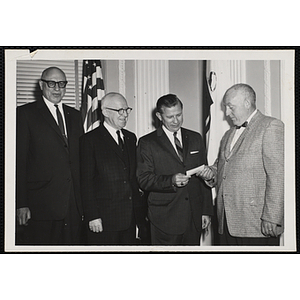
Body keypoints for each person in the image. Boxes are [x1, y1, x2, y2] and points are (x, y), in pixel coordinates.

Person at [198, 83, 284, 246]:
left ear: (247, 103)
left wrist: (272, 217)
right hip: (225, 223)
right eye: (225, 108)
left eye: (230, 107)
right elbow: (221, 168)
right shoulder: (228, 134)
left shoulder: (270, 126)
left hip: (256, 224)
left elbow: (278, 175)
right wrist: (211, 173)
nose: (226, 113)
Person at [16, 67, 84, 245]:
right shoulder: (25, 114)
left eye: (61, 84)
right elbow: (19, 161)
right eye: (51, 83)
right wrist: (21, 203)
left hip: (73, 203)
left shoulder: (76, 115)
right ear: (41, 85)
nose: (57, 89)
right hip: (41, 204)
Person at [136, 94, 213, 245]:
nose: (176, 121)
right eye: (170, 117)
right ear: (159, 116)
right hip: (164, 219)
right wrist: (171, 180)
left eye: (179, 115)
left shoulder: (195, 138)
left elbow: (203, 177)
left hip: (193, 217)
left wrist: (206, 211)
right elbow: (143, 179)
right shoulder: (147, 142)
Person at [80, 92, 148, 245]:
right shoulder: (89, 140)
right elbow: (86, 182)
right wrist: (92, 216)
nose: (125, 115)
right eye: (120, 111)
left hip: (130, 217)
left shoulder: (131, 138)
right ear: (105, 112)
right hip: (103, 219)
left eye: (127, 110)